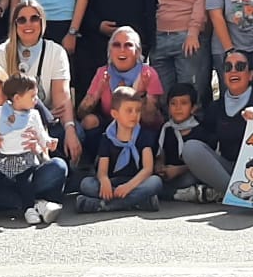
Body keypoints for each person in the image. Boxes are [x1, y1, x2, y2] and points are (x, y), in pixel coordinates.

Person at [0, 60, 69, 222]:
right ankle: (35, 204)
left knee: (58, 167)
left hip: (30, 170)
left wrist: (37, 148)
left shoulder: (30, 105)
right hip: (4, 174)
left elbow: (46, 158)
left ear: (1, 81)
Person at [0, 0, 80, 162]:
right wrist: (37, 113)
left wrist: (69, 128)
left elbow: (62, 95)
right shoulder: (0, 53)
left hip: (49, 121)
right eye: (22, 20)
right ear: (15, 24)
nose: (28, 24)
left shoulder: (56, 51)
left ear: (42, 22)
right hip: (12, 121)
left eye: (34, 18)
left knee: (75, 133)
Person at [178, 49, 253, 197]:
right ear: (223, 76)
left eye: (240, 67)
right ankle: (235, 194)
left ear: (250, 75)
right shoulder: (215, 107)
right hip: (227, 168)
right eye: (228, 67)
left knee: (188, 181)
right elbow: (204, 141)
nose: (233, 71)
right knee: (190, 150)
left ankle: (231, 194)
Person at [0, 74, 53, 223]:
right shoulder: (0, 112)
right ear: (17, 98)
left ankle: (29, 208)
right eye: (32, 96)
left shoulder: (34, 115)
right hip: (2, 157)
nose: (36, 99)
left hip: (24, 158)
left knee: (26, 183)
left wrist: (48, 142)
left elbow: (41, 134)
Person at [77, 85, 162, 213]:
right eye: (129, 110)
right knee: (86, 184)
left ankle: (103, 205)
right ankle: (138, 202)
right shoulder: (107, 137)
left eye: (138, 110)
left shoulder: (143, 135)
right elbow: (102, 171)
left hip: (135, 182)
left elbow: (147, 169)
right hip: (113, 184)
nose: (134, 115)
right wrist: (104, 180)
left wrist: (128, 187)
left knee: (155, 182)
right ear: (115, 114)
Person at [78, 26, 165, 135]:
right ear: (110, 50)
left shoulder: (147, 73)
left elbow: (151, 119)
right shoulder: (103, 73)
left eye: (128, 45)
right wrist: (97, 92)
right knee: (89, 121)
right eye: (116, 45)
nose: (122, 50)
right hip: (112, 125)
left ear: (137, 52)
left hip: (141, 126)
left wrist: (141, 95)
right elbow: (81, 113)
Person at [157, 83, 209, 201]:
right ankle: (185, 194)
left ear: (193, 108)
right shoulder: (166, 129)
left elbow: (204, 164)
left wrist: (178, 170)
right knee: (154, 181)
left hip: (189, 173)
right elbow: (161, 154)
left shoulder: (200, 131)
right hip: (170, 175)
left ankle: (178, 194)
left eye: (184, 103)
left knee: (190, 179)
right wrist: (160, 166)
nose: (178, 108)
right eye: (173, 103)